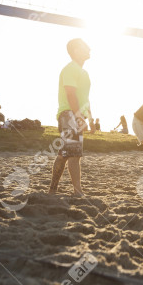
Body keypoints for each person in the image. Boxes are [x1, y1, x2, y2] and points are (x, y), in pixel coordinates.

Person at [48, 38, 94, 197]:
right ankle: (77, 192)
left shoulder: (84, 73)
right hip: (69, 114)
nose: (89, 48)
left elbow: (85, 98)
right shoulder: (70, 69)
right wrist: (79, 117)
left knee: (66, 153)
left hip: (76, 114)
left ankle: (53, 190)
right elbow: (70, 94)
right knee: (73, 154)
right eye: (84, 46)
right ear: (75, 51)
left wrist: (91, 118)